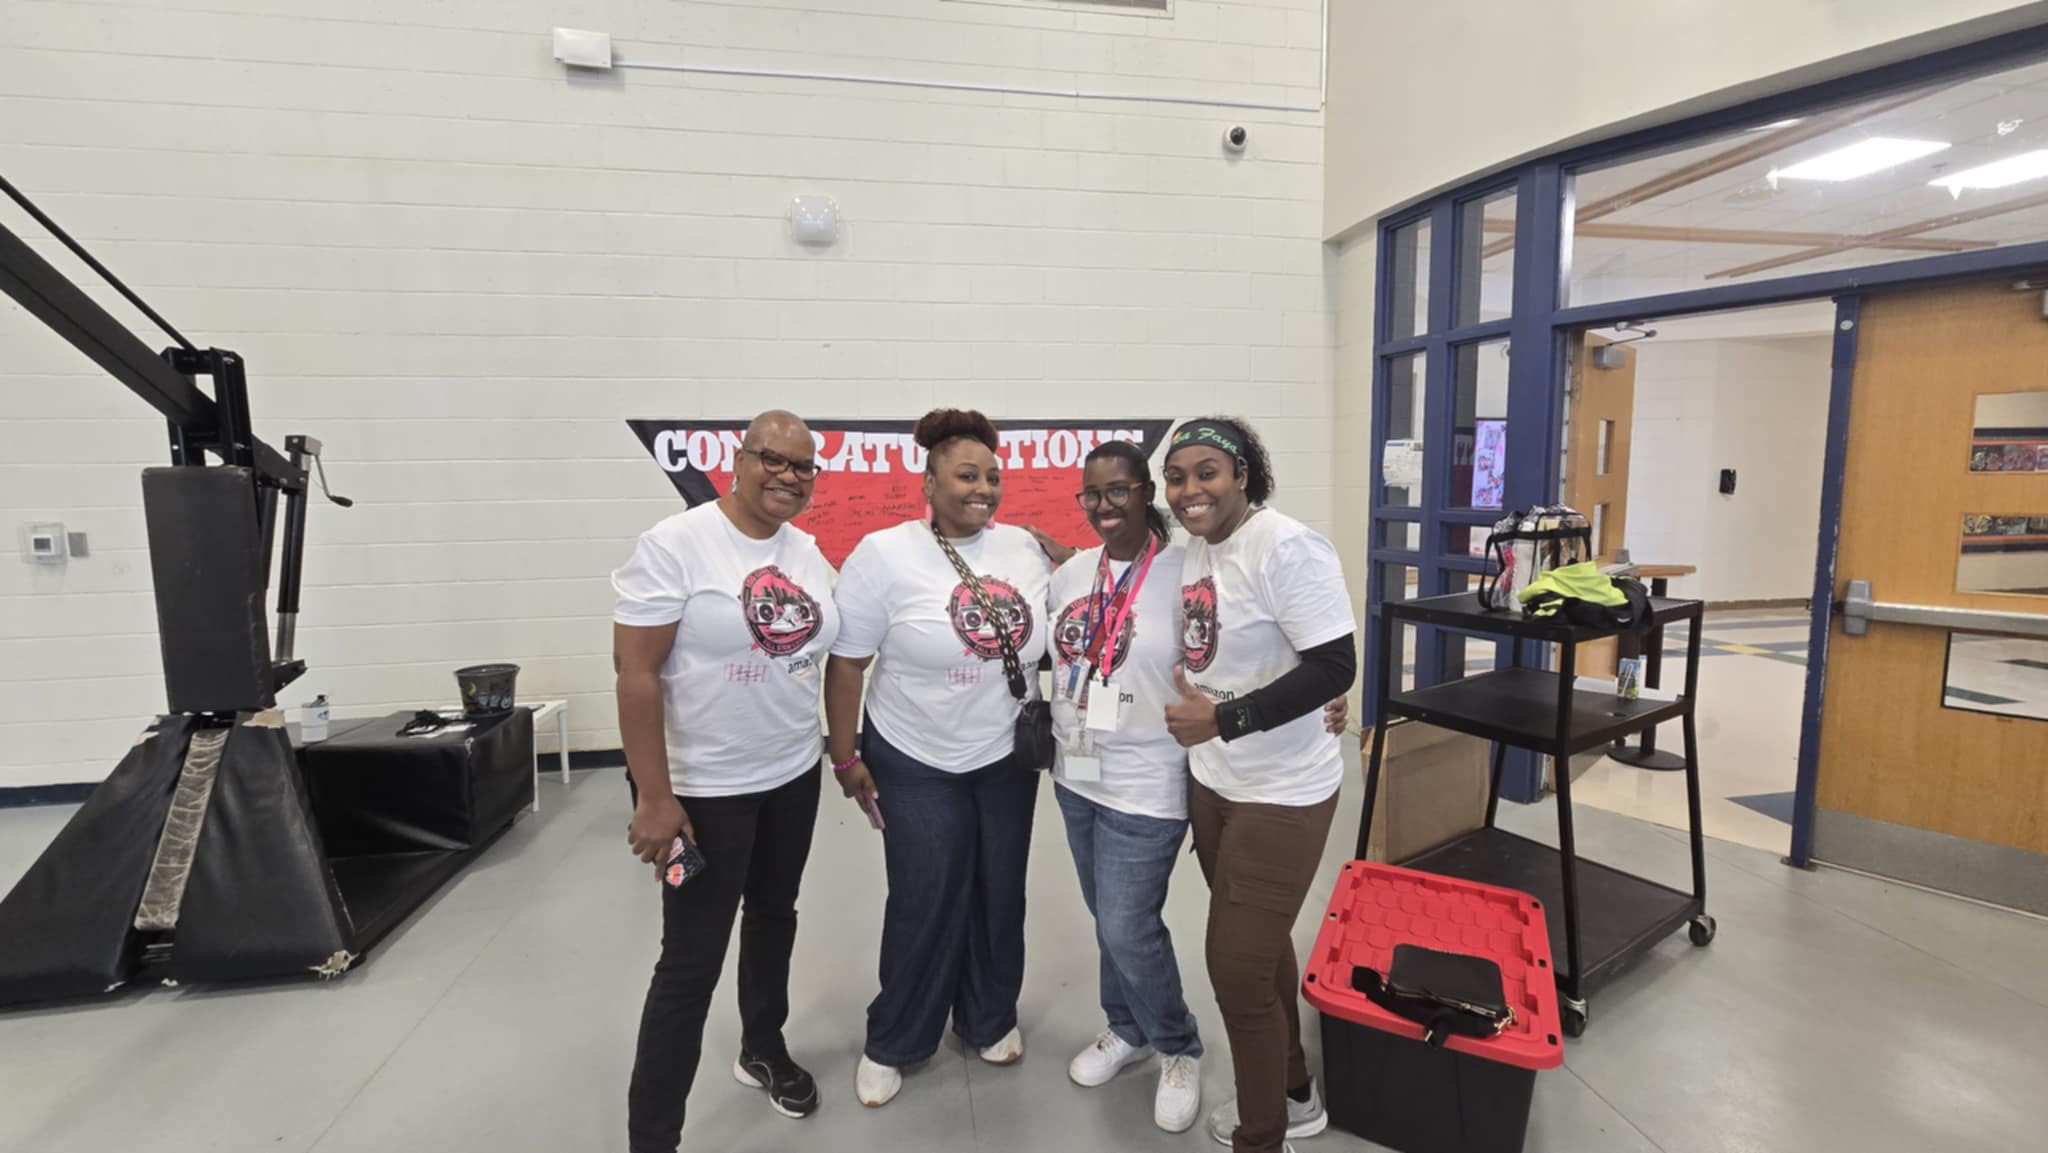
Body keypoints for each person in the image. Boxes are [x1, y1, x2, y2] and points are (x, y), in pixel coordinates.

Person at [1049, 440, 1351, 1135]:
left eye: (1121, 489)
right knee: (1118, 923)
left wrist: (1323, 699)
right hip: (1111, 774)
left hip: (1178, 779)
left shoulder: (1204, 558)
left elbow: (1327, 657)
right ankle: (1133, 1029)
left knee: (1150, 932)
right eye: (1092, 492)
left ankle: (1180, 1048)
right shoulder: (1121, 565)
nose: (1105, 503)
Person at [615, 410, 839, 1153]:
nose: (787, 476)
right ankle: (653, 1136)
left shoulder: (806, 551)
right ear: (739, 461)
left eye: (802, 466)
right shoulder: (676, 544)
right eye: (773, 458)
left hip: (791, 774)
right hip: (703, 791)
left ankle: (762, 1046)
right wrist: (655, 796)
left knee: (775, 914)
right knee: (690, 960)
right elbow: (635, 673)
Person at [824, 408, 1055, 1108]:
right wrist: (845, 756)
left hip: (1005, 756)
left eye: (993, 477)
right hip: (914, 754)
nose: (983, 489)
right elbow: (847, 663)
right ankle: (896, 1036)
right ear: (928, 481)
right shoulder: (883, 555)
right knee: (925, 894)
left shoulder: (1024, 547)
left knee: (1000, 890)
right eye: (966, 475)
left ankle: (989, 1015)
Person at [1159, 417, 1357, 1153]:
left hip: (1283, 791)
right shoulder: (1198, 549)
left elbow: (1335, 665)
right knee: (1262, 947)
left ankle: (1263, 1136)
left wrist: (1225, 719)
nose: (1189, 489)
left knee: (1236, 973)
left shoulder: (1286, 545)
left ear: (1243, 474)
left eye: (1207, 472)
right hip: (1215, 783)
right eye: (1176, 477)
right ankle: (1295, 1088)